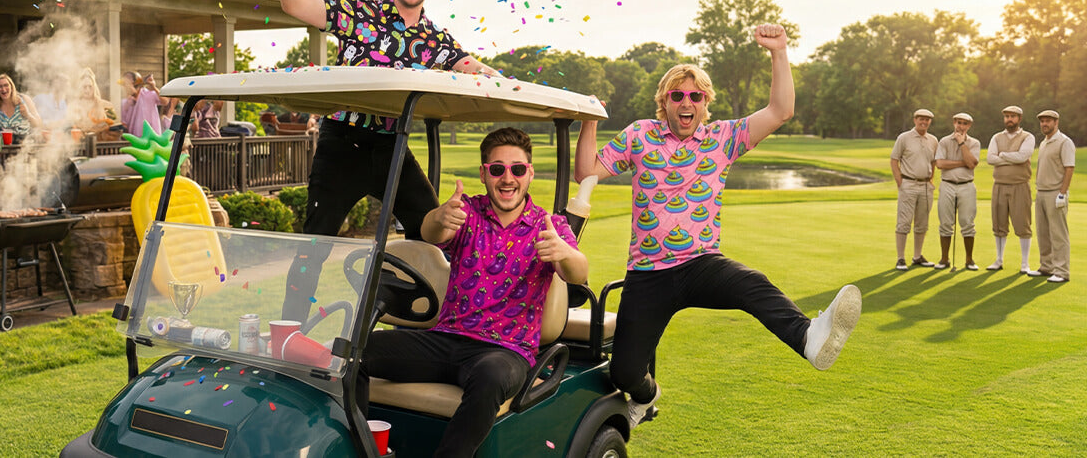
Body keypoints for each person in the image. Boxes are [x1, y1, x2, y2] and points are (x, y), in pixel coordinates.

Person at [575, 24, 861, 427]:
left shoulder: (722, 138)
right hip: (647, 273)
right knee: (624, 373)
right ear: (665, 102)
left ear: (705, 102)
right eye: (677, 95)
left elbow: (781, 111)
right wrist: (590, 120)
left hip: (700, 263)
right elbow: (586, 170)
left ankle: (808, 337)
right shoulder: (640, 135)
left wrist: (779, 51)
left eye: (695, 95)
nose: (686, 102)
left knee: (751, 283)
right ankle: (647, 394)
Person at [356, 128, 587, 458]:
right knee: (357, 350)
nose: (508, 178)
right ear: (484, 173)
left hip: (505, 349)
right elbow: (431, 232)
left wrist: (564, 253)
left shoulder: (549, 227)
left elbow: (578, 272)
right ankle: (361, 448)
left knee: (491, 376)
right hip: (446, 338)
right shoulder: (467, 213)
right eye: (497, 169)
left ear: (530, 173)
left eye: (517, 169)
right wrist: (439, 216)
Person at [263, 0, 500, 241]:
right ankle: (300, 293)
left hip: (393, 145)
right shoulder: (360, 13)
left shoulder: (436, 39)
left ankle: (410, 291)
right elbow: (296, 5)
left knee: (433, 230)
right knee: (315, 244)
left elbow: (476, 69)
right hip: (342, 144)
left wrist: (501, 80)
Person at [986, 105, 1035, 271]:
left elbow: (1022, 157)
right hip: (999, 185)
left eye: (1012, 116)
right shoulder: (996, 137)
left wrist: (1003, 155)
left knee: (1022, 224)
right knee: (999, 224)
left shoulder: (1028, 137)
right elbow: (990, 159)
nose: (1009, 119)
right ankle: (999, 260)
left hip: (1020, 185)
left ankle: (1025, 264)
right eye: (1006, 116)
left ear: (1019, 119)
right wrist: (1011, 158)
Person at [891, 109, 939, 270]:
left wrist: (931, 180)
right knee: (904, 222)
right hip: (908, 184)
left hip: (926, 186)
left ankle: (917, 256)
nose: (924, 122)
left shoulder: (933, 140)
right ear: (915, 119)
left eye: (927, 119)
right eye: (921, 119)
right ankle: (900, 258)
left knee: (922, 224)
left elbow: (933, 162)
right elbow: (894, 160)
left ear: (930, 121)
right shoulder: (904, 138)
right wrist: (900, 182)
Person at [934, 113, 981, 271]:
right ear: (954, 123)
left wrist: (962, 144)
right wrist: (963, 162)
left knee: (967, 222)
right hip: (947, 184)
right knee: (946, 223)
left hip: (966, 185)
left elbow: (972, 165)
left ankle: (969, 260)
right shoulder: (944, 141)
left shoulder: (974, 143)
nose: (961, 126)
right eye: (959, 123)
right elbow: (940, 164)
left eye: (964, 124)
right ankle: (944, 259)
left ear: (969, 126)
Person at [1030, 110, 1073, 282]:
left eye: (1048, 121)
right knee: (1043, 233)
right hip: (1041, 192)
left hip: (1056, 193)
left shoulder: (1064, 142)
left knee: (1058, 234)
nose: (1044, 124)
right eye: (1042, 121)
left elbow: (1069, 168)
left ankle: (1062, 271)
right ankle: (1046, 267)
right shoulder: (1044, 142)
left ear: (1056, 122)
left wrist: (1062, 193)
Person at [0, 73, 45, 143]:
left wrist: (28, 115)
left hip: (25, 146)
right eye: (0, 87)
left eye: (6, 85)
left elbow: (39, 124)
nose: (3, 89)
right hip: (3, 147)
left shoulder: (25, 99)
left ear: (11, 87)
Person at [119, 71, 163, 137]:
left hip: (152, 139)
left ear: (136, 85)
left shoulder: (149, 95)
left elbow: (165, 101)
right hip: (135, 141)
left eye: (127, 84)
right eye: (124, 85)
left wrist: (154, 87)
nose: (125, 88)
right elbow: (124, 124)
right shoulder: (125, 102)